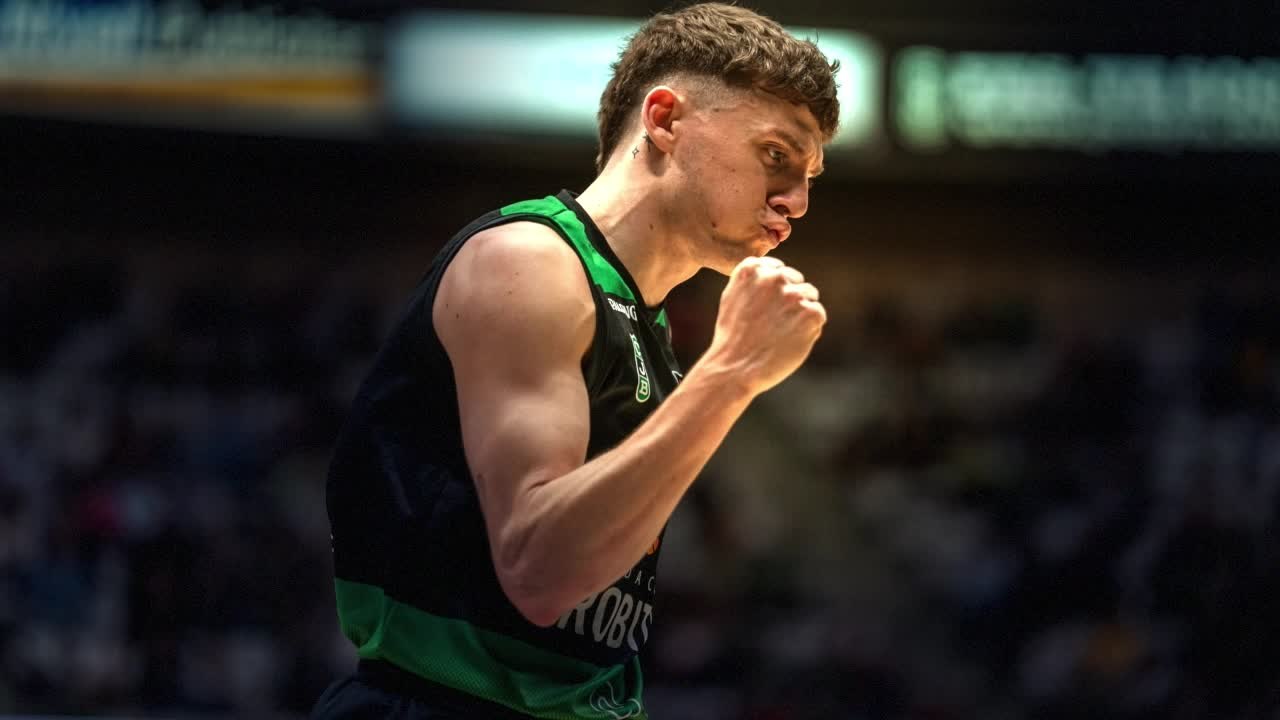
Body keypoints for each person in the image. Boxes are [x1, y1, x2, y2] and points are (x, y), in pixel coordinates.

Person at [312, 3, 839, 719]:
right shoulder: (528, 263)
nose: (797, 201)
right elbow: (538, 572)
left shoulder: (644, 323)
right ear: (664, 119)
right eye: (776, 155)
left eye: (810, 177)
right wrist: (731, 373)